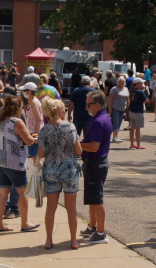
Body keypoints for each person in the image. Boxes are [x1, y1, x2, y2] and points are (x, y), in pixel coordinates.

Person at [0, 94, 38, 234]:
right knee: (23, 192)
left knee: (2, 193)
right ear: (17, 108)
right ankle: (25, 223)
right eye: (21, 107)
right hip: (14, 161)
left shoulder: (1, 120)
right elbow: (28, 141)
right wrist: (35, 139)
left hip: (0, 160)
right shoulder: (17, 122)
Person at [38, 98, 83, 249]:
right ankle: (73, 240)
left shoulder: (44, 129)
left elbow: (41, 153)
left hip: (51, 170)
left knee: (51, 207)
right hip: (69, 171)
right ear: (60, 111)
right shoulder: (70, 127)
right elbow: (78, 151)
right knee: (71, 207)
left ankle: (49, 240)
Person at [79, 90, 112, 244]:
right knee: (93, 198)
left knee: (97, 199)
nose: (86, 108)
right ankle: (92, 227)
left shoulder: (99, 121)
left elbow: (93, 146)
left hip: (95, 163)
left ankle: (100, 233)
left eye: (88, 104)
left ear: (97, 104)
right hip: (95, 163)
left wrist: (77, 144)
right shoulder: (103, 118)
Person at [107, 76, 129, 143]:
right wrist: (110, 108)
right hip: (115, 108)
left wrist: (127, 107)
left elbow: (128, 98)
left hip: (122, 108)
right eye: (119, 81)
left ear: (124, 82)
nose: (120, 82)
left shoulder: (126, 89)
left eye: (122, 81)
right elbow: (110, 99)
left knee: (119, 123)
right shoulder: (114, 89)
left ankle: (116, 136)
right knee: (115, 122)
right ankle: (114, 137)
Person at [127, 79, 148, 149]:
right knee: (138, 129)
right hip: (138, 111)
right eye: (141, 83)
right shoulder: (140, 92)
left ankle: (132, 144)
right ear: (137, 84)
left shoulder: (132, 91)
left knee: (132, 128)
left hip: (132, 110)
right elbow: (146, 100)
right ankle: (138, 145)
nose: (142, 84)